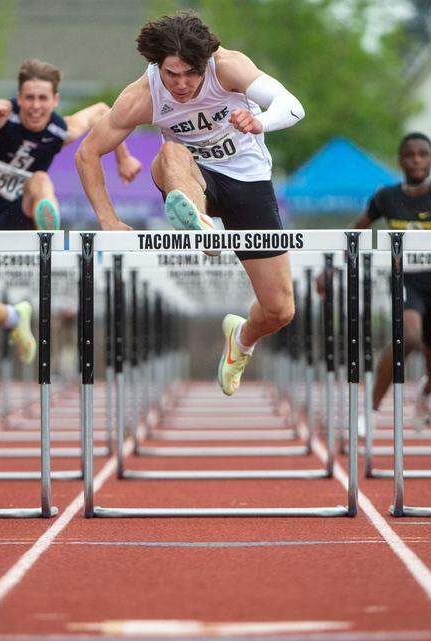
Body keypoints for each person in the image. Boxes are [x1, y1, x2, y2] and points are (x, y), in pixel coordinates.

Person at [75, 11, 305, 396]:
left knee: (280, 310)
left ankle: (241, 338)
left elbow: (293, 105)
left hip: (248, 181)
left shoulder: (228, 67)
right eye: (171, 74)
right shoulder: (142, 96)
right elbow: (87, 153)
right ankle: (198, 224)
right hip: (191, 176)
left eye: (190, 74)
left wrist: (262, 121)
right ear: (156, 66)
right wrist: (108, 218)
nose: (181, 85)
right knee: (171, 154)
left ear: (206, 63)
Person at [0, 59, 142, 363]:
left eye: (43, 98)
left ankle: (48, 220)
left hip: (27, 209)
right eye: (29, 98)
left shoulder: (61, 129)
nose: (35, 106)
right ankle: (14, 317)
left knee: (40, 179)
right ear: (19, 98)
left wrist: (124, 157)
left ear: (55, 100)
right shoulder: (3, 115)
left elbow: (102, 111)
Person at [323, 132, 431, 427]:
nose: (417, 160)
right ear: (401, 161)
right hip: (405, 280)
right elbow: (355, 231)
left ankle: (426, 390)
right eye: (410, 154)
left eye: (423, 154)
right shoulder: (386, 197)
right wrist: (329, 268)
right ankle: (370, 410)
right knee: (405, 337)